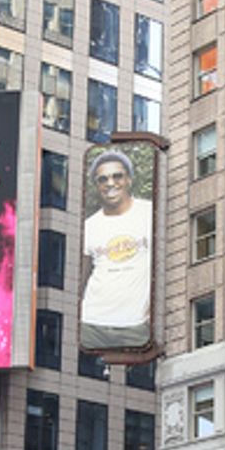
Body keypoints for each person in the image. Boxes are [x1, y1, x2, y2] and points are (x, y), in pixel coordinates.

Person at [79, 148, 154, 354]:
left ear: (129, 179)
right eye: (103, 179)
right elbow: (81, 278)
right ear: (96, 185)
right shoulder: (90, 226)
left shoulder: (150, 213)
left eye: (117, 176)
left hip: (136, 325)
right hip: (91, 323)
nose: (110, 183)